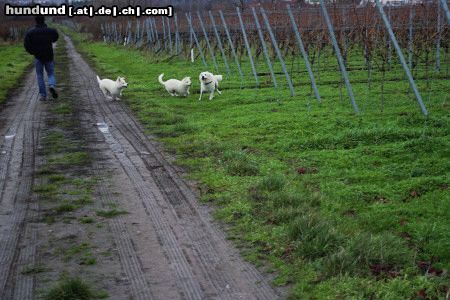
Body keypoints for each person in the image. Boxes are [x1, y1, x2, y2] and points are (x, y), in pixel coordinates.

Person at [24, 16, 59, 101]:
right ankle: (51, 85)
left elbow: (26, 44)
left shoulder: (30, 32)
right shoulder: (51, 31)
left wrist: (33, 52)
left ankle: (43, 95)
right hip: (49, 56)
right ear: (44, 20)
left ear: (36, 21)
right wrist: (51, 40)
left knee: (40, 75)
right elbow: (56, 37)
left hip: (38, 57)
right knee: (51, 73)